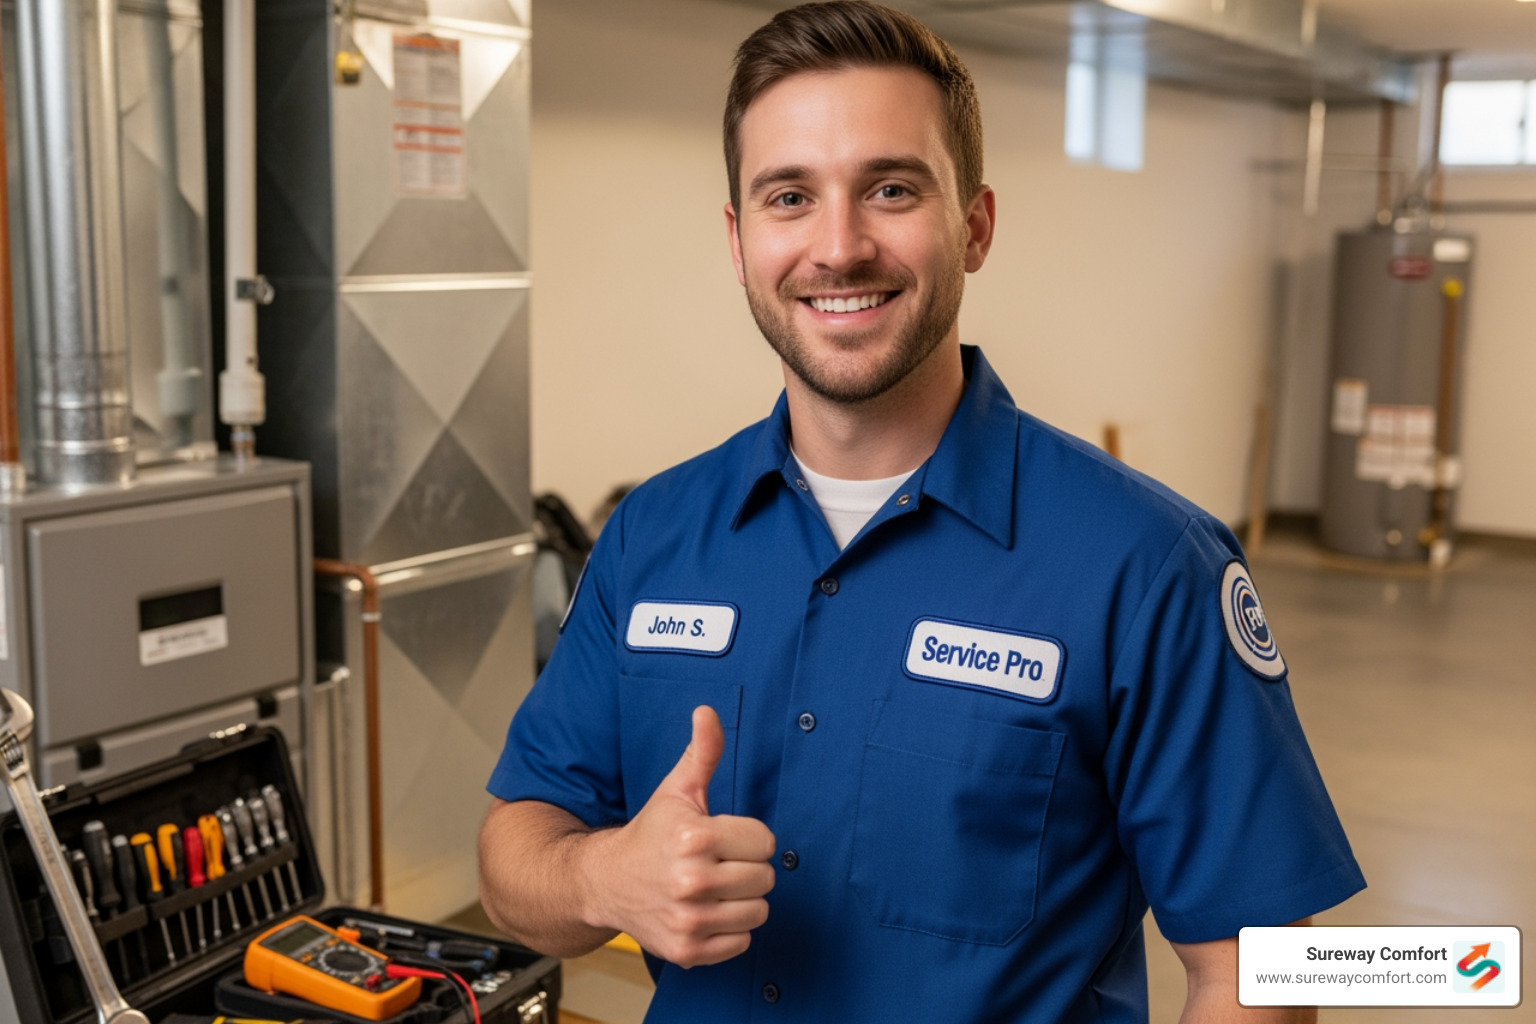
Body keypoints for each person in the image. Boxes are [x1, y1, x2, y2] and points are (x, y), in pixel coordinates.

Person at [479, 3, 1364, 1020]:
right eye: (789, 197)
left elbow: (1253, 970)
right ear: (739, 239)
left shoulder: (1149, 567)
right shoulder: (651, 539)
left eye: (891, 188)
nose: (839, 246)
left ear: (975, 224)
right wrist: (600, 878)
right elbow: (513, 854)